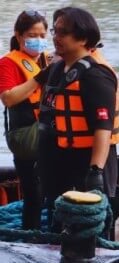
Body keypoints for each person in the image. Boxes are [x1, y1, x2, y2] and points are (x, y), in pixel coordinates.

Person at [10, 7, 119, 230]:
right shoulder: (57, 69)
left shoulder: (96, 75)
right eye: (55, 31)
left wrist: (95, 172)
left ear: (83, 38)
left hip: (85, 167)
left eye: (63, 33)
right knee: (56, 224)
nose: (55, 37)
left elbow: (103, 127)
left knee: (86, 229)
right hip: (58, 165)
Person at [0, 10, 50, 229]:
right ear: (19, 36)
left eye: (42, 35)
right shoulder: (8, 63)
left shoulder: (47, 60)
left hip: (47, 131)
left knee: (52, 192)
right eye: (32, 35)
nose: (38, 40)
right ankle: (32, 238)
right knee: (34, 194)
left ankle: (51, 236)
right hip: (25, 135)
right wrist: (38, 79)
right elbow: (8, 98)